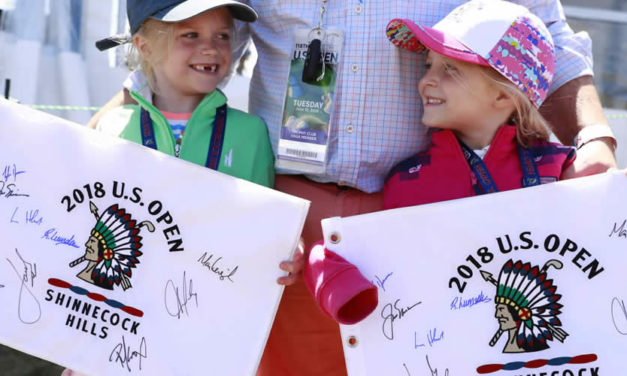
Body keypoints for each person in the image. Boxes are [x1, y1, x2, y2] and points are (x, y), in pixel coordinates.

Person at [88, 1, 617, 375]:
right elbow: (195, 27)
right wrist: (116, 120)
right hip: (289, 223)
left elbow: (553, 41)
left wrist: (593, 138)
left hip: (424, 213)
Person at [304, 0, 579, 334]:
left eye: (450, 70)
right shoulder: (407, 182)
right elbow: (366, 262)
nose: (426, 81)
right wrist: (329, 272)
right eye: (428, 65)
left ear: (505, 96)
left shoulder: (562, 170)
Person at [96, 0, 274, 188]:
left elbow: (263, 216)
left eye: (222, 36)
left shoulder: (251, 134)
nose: (210, 48)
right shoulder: (112, 128)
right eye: (191, 35)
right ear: (145, 47)